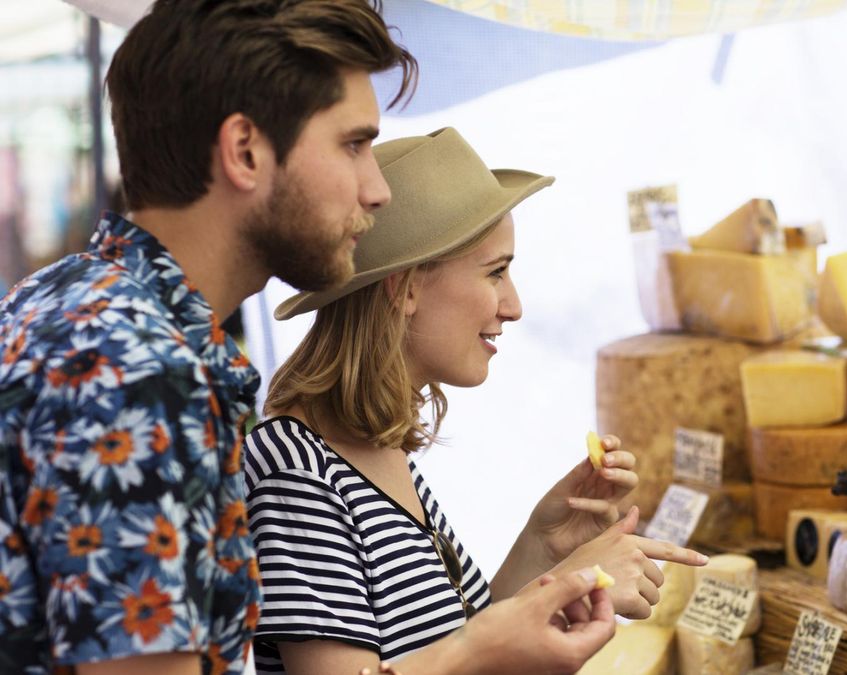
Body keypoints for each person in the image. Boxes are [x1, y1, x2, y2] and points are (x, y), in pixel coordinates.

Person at [0, 2, 617, 674]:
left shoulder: (81, 309)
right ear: (245, 151)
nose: (377, 190)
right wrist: (477, 650)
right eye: (352, 144)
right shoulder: (142, 371)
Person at [244, 128, 708, 674]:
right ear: (406, 288)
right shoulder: (295, 468)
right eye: (496, 272)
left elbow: (453, 645)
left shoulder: (380, 451)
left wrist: (543, 545)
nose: (513, 306)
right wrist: (572, 579)